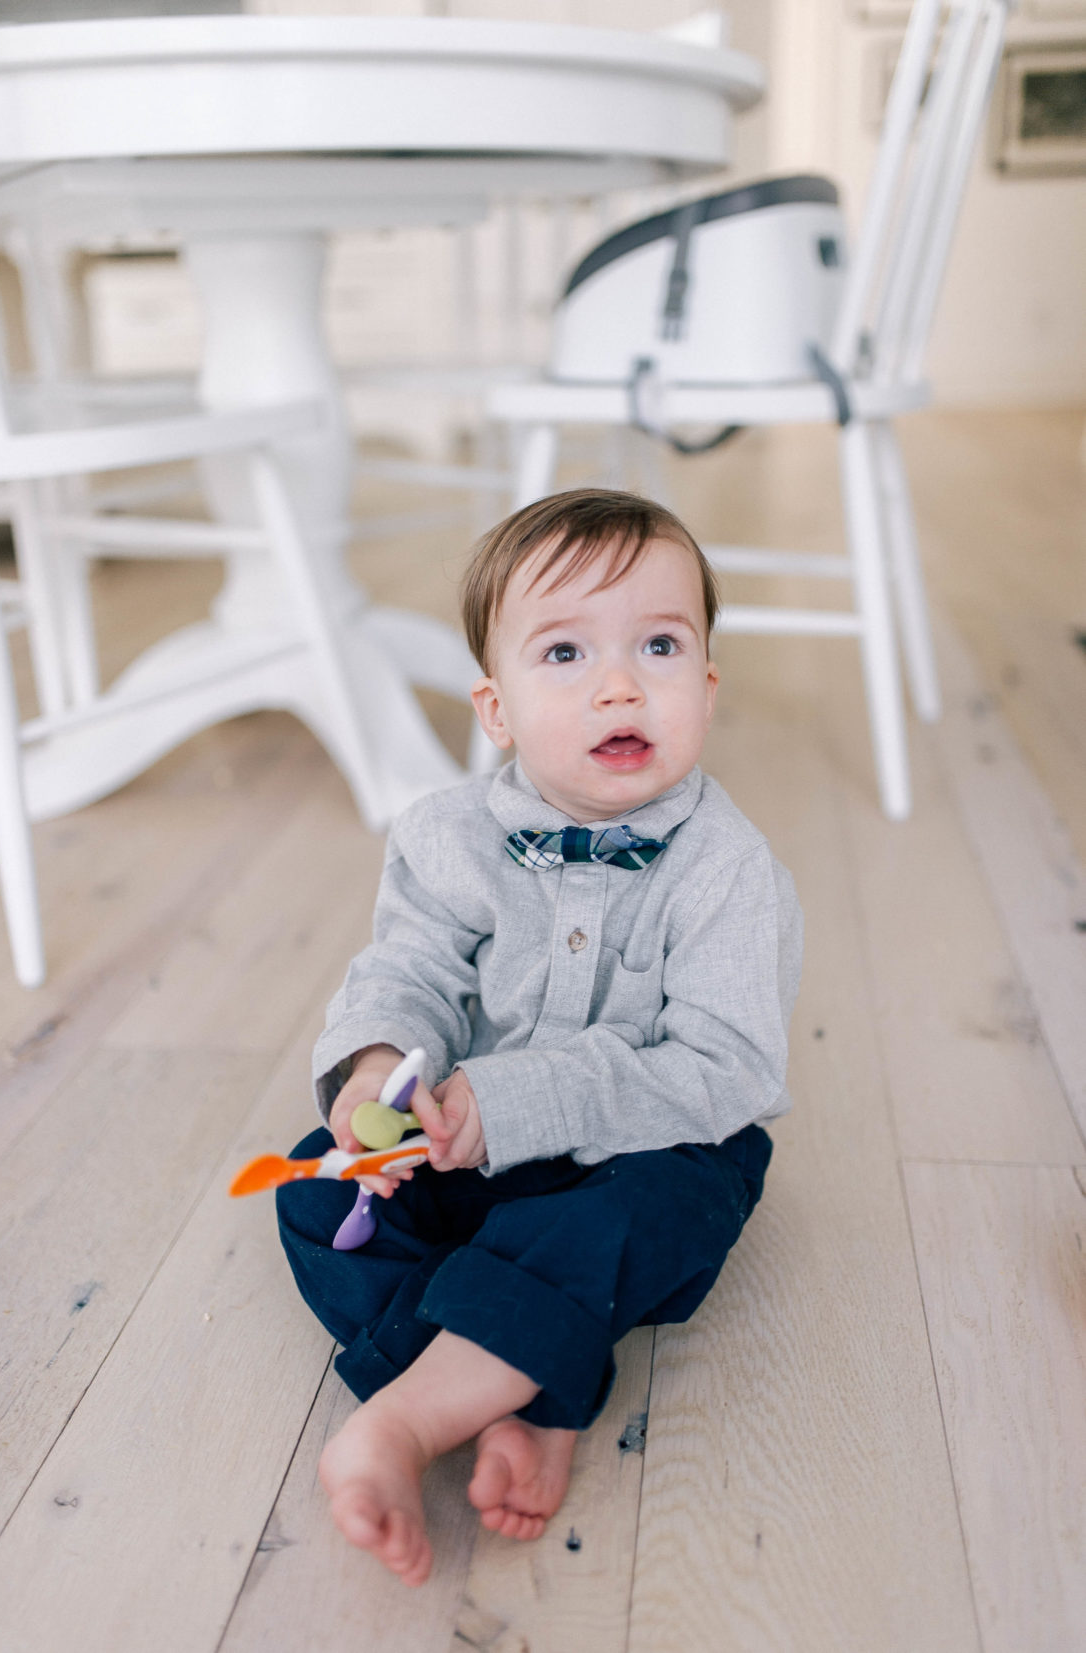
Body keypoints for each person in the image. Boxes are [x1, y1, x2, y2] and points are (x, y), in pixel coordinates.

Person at [276, 487, 802, 1586]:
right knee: (318, 1193)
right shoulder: (444, 836)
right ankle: (531, 1386)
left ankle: (411, 1417)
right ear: (496, 709)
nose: (619, 684)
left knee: (667, 1205)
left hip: (643, 1151)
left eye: (658, 645)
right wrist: (382, 1068)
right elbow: (408, 970)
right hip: (460, 1145)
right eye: (563, 653)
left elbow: (723, 1069)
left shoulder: (728, 871)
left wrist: (515, 1104)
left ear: (704, 686)